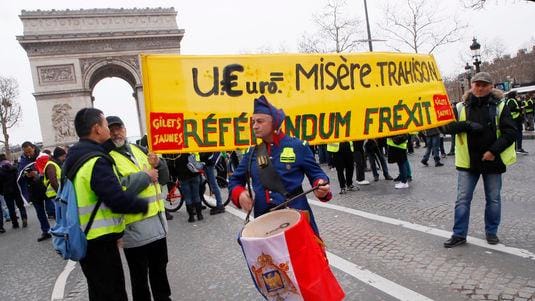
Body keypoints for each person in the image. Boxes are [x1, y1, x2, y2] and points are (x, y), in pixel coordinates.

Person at [64, 108, 148, 300]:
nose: (109, 130)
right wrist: (142, 205)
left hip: (86, 236)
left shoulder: (74, 156)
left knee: (99, 292)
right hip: (100, 242)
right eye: (104, 125)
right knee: (114, 294)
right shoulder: (96, 160)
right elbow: (115, 199)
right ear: (96, 129)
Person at [229, 95, 331, 236]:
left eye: (260, 121)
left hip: (296, 219)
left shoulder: (297, 146)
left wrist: (320, 184)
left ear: (274, 123)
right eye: (253, 122)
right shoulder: (252, 153)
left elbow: (317, 175)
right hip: (265, 223)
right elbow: (235, 180)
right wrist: (239, 193)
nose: (254, 126)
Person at [442, 72, 516, 248]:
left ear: (491, 87)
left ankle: (491, 232)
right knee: (462, 200)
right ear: (472, 86)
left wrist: (493, 151)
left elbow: (511, 133)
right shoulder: (460, 107)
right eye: (477, 84)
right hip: (468, 161)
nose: (480, 88)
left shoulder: (501, 106)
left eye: (484, 85)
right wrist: (467, 125)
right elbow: (446, 127)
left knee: (493, 199)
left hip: (492, 160)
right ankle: (459, 234)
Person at [105, 116, 172, 301]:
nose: (116, 132)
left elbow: (164, 178)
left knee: (160, 269)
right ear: (105, 132)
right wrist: (147, 176)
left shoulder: (139, 149)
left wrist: (159, 164)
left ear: (125, 129)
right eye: (111, 129)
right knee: (139, 276)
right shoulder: (107, 158)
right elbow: (119, 188)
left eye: (119, 128)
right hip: (133, 229)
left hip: (157, 224)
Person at [17, 141, 51, 241]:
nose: (28, 154)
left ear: (33, 148)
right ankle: (46, 231)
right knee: (40, 212)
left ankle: (61, 229)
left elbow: (50, 170)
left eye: (29, 151)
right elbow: (20, 173)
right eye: (25, 152)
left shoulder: (42, 156)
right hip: (33, 189)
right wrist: (26, 175)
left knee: (52, 210)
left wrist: (36, 173)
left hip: (45, 187)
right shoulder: (23, 160)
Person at [0, 155, 27, 229]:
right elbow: (18, 178)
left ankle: (15, 223)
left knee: (11, 208)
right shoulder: (14, 168)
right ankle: (24, 218)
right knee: (21, 205)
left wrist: (1, 191)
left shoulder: (1, 170)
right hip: (16, 189)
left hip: (6, 191)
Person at [43, 147, 67, 220]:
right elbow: (53, 181)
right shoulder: (51, 165)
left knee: (62, 215)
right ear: (59, 156)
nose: (64, 158)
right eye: (63, 156)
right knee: (62, 216)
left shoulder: (54, 163)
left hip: (56, 193)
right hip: (55, 194)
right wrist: (60, 194)